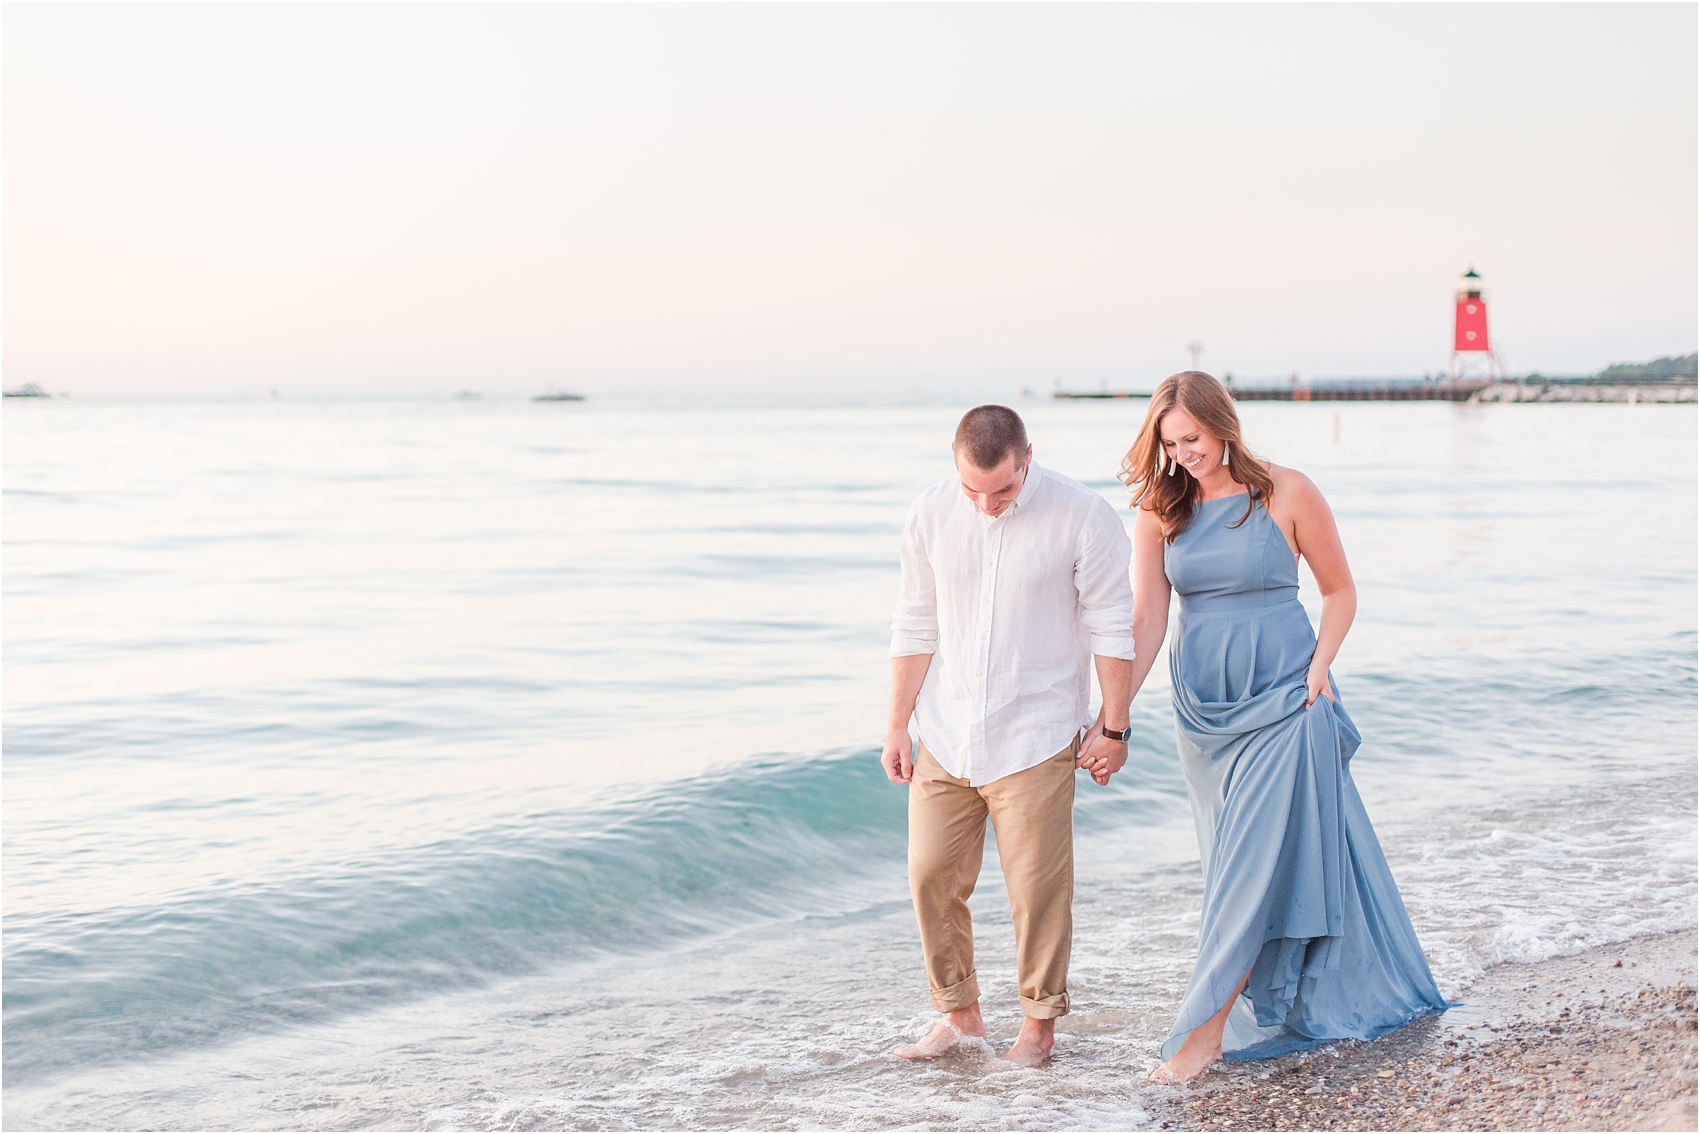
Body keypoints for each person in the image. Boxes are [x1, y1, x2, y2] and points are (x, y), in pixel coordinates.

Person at [1080, 372, 1448, 1081]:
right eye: (1171, 443)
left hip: (1288, 698)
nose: (1184, 453)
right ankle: (1272, 1005)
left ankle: (1202, 1036)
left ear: (1224, 424)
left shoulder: (1288, 491)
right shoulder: (1161, 510)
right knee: (1236, 868)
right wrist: (1113, 717)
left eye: (1193, 438)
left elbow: (1340, 592)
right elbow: (1147, 620)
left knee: (1249, 869)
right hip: (1207, 715)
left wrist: (1321, 669)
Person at [882, 404, 1135, 1067]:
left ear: (1027, 458)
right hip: (946, 726)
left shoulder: (1084, 516)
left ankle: (1038, 1031)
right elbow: (914, 622)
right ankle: (960, 1019)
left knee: (1037, 893)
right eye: (973, 490)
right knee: (930, 874)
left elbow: (1113, 626)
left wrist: (1114, 726)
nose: (988, 505)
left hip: (1038, 731)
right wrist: (896, 727)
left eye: (1003, 489)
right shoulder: (931, 514)